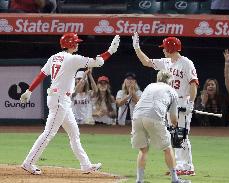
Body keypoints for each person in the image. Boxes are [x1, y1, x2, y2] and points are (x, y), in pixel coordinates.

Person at [19, 32, 120, 175]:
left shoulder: (54, 57)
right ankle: (28, 162)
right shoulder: (72, 59)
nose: (78, 43)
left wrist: (29, 90)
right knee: (49, 133)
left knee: (74, 133)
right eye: (76, 42)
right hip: (60, 99)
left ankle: (86, 165)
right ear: (70, 44)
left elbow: (42, 74)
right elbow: (97, 62)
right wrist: (110, 51)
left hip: (61, 99)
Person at [132, 32, 198, 176]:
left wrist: (190, 103)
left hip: (181, 101)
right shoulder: (166, 62)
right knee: (175, 134)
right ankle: (180, 164)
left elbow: (193, 84)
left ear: (170, 48)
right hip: (169, 102)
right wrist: (137, 48)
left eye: (164, 47)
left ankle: (187, 166)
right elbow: (147, 62)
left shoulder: (186, 62)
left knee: (181, 134)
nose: (163, 49)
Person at [131, 70, 189, 183]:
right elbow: (173, 120)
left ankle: (139, 180)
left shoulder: (150, 86)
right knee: (167, 149)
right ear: (170, 81)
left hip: (137, 116)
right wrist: (181, 116)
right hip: (154, 117)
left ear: (158, 79)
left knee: (143, 150)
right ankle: (175, 179)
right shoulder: (172, 92)